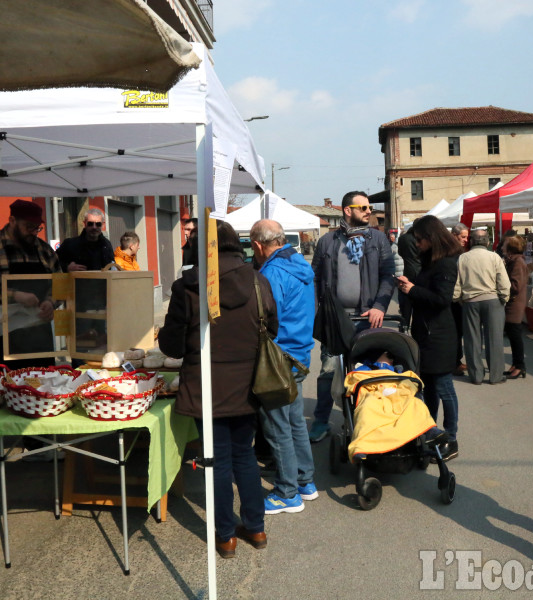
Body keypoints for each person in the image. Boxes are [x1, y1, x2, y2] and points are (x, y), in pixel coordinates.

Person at [158, 220, 276, 558]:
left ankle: (226, 535)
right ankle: (255, 527)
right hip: (249, 385)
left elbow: (172, 346)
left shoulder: (188, 287)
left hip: (205, 388)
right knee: (245, 457)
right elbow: (273, 328)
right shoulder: (258, 279)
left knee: (219, 462)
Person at [0, 200, 62, 490]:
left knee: (38, 389)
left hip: (35, 333)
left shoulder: (43, 250)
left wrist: (50, 302)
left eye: (37, 227)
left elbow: (60, 282)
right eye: (29, 227)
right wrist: (14, 294)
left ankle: (38, 447)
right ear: (12, 220)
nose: (33, 233)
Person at [309, 191, 395, 443]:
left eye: (370, 207)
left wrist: (380, 305)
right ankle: (321, 421)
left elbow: (388, 275)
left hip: (368, 318)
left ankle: (366, 419)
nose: (369, 211)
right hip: (335, 320)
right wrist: (318, 311)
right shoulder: (327, 242)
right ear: (348, 210)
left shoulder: (378, 240)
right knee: (328, 370)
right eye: (364, 207)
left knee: (365, 371)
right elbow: (315, 278)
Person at [249, 219, 318, 515]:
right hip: (299, 351)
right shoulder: (299, 262)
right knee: (293, 423)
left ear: (257, 245)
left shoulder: (273, 272)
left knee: (277, 426)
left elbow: (265, 319)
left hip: (279, 356)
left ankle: (288, 491)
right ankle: (305, 481)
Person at [396, 215, 462, 462]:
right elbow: (427, 294)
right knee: (429, 387)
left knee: (444, 387)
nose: (417, 244)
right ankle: (430, 431)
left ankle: (451, 436)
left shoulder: (445, 263)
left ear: (431, 238)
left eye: (420, 240)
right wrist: (409, 286)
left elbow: (441, 299)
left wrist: (412, 289)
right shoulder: (430, 261)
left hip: (440, 336)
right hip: (426, 332)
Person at [452, 229, 510, 385]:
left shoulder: (462, 258)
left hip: (470, 301)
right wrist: (504, 298)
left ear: (471, 241)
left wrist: (458, 298)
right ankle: (496, 376)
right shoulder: (494, 257)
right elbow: (503, 281)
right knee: (495, 339)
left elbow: (457, 282)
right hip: (492, 301)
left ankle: (476, 376)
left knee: (472, 340)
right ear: (487, 241)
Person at [502, 234, 529, 379]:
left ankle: (519, 365)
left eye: (505, 244)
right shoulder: (514, 261)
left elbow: (515, 286)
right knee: (513, 336)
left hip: (514, 304)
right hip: (513, 303)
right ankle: (516, 364)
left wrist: (501, 285)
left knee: (515, 335)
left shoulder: (517, 262)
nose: (502, 247)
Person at [56, 208, 114, 272]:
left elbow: (112, 267)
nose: (94, 227)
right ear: (84, 224)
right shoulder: (70, 244)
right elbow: (53, 264)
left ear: (103, 225)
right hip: (77, 281)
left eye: (98, 224)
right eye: (90, 224)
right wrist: (67, 268)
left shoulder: (106, 245)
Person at [449, 223, 469, 376]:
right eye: (463, 237)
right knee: (455, 330)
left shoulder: (458, 250)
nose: (466, 240)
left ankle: (456, 360)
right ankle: (454, 362)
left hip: (457, 295)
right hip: (452, 296)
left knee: (458, 330)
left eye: (467, 237)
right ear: (455, 235)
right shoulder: (451, 251)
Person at [396, 225, 420, 328]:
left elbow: (400, 253)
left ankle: (404, 325)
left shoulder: (402, 238)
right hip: (419, 271)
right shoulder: (419, 239)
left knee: (406, 303)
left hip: (407, 270)